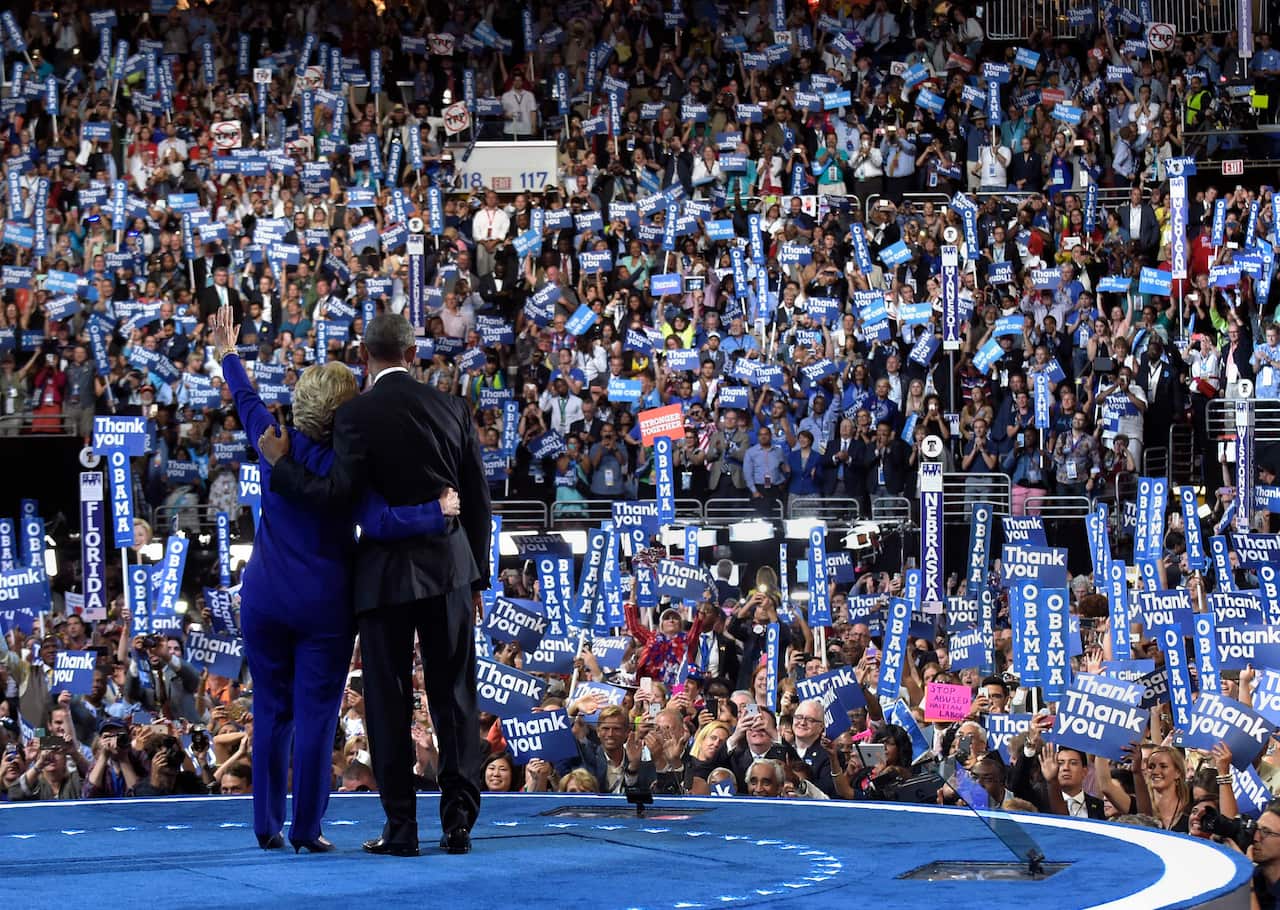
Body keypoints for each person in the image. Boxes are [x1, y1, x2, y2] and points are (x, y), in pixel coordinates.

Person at [210, 306, 459, 852]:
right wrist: (436, 512)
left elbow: (245, 400)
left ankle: (265, 826)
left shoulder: (271, 441)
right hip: (324, 606)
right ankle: (306, 830)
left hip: (265, 599)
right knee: (317, 718)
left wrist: (229, 353)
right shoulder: (350, 467)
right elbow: (380, 523)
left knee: (271, 711)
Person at [259, 313, 492, 858]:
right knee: (454, 695)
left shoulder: (354, 416)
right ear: (413, 353)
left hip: (383, 578)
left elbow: (338, 494)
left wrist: (280, 466)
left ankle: (401, 829)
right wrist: (476, 576)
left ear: (365, 354)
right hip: (450, 571)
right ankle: (458, 824)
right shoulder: (452, 407)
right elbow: (478, 501)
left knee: (387, 700)